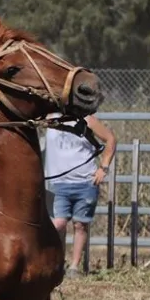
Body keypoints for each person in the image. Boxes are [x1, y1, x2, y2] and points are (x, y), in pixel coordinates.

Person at [44, 114, 117, 276]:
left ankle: (74, 266)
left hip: (85, 182)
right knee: (58, 225)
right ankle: (58, 263)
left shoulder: (87, 120)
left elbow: (110, 139)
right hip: (58, 183)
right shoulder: (49, 118)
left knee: (80, 225)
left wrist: (103, 168)